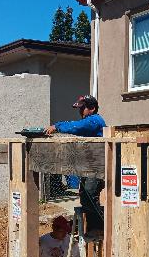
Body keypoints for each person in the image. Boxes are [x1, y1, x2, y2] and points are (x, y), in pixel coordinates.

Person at [45, 95, 106, 238]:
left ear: (92, 108)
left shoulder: (95, 120)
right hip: (89, 166)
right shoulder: (89, 121)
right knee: (85, 195)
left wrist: (56, 127)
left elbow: (77, 127)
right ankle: (91, 227)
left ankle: (99, 227)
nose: (80, 111)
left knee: (90, 194)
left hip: (96, 167)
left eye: (82, 108)